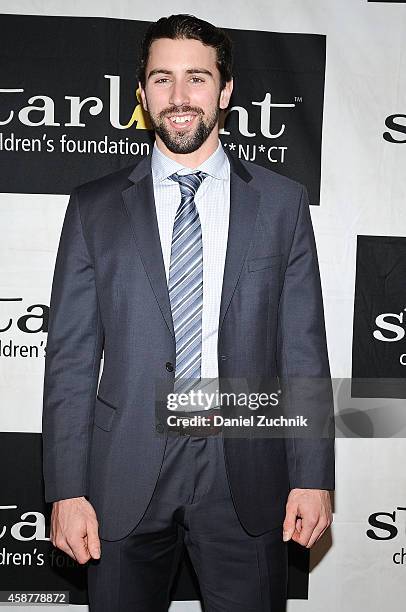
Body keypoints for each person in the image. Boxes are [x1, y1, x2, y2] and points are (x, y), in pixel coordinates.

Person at [42, 13, 335, 611]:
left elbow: (302, 352)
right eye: (162, 79)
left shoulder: (282, 203)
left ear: (225, 91)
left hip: (245, 470)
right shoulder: (94, 208)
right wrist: (66, 490)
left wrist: (312, 475)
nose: (179, 98)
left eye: (197, 78)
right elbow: (70, 359)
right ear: (143, 94)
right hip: (123, 471)